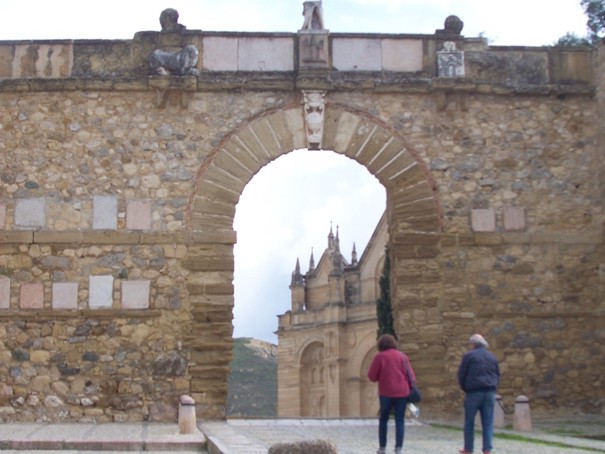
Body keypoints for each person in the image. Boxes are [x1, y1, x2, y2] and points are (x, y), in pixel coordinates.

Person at [368, 334, 416, 454]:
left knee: (383, 419)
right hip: (402, 392)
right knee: (400, 420)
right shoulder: (403, 356)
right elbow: (412, 376)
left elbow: (371, 376)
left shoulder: (380, 357)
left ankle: (382, 447)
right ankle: (398, 448)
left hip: (386, 393)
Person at [457, 334, 500, 454]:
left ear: (474, 344)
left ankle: (468, 448)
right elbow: (497, 374)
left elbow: (462, 374)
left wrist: (465, 388)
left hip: (474, 392)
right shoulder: (492, 356)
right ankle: (487, 449)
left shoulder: (469, 356)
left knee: (469, 421)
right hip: (490, 392)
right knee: (488, 422)